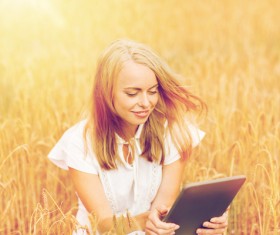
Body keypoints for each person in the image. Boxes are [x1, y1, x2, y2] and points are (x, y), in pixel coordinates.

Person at [48, 39, 228, 235]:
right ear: (106, 94)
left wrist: (204, 223)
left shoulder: (173, 132)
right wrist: (147, 220)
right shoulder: (79, 142)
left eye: (152, 92)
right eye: (132, 94)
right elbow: (104, 224)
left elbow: (163, 211)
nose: (146, 103)